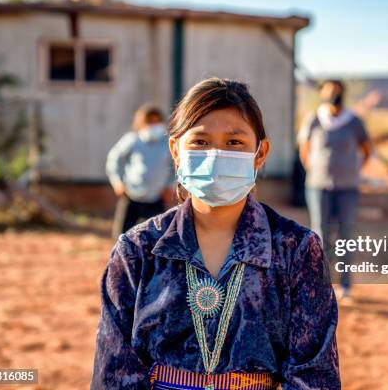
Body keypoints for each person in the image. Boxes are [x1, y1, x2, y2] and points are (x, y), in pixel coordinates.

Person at [91, 78, 340, 389]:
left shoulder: (296, 249)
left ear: (260, 153)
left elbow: (313, 376)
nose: (215, 155)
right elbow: (114, 373)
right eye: (200, 142)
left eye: (234, 143)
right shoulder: (137, 250)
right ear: (176, 149)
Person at [297, 79, 372, 304]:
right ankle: (320, 284)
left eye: (337, 92)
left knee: (345, 235)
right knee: (320, 234)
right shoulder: (314, 120)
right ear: (322, 94)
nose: (333, 95)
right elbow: (305, 149)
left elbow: (367, 150)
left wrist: (354, 170)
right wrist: (314, 170)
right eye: (329, 92)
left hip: (348, 187)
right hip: (319, 186)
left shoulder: (354, 122)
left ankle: (346, 285)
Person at [106, 104, 175, 239]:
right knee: (122, 237)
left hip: (156, 198)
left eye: (157, 121)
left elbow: (176, 166)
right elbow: (114, 160)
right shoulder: (132, 140)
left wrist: (169, 186)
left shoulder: (167, 143)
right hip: (132, 196)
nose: (154, 125)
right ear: (141, 123)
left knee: (156, 238)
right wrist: (117, 182)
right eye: (150, 122)